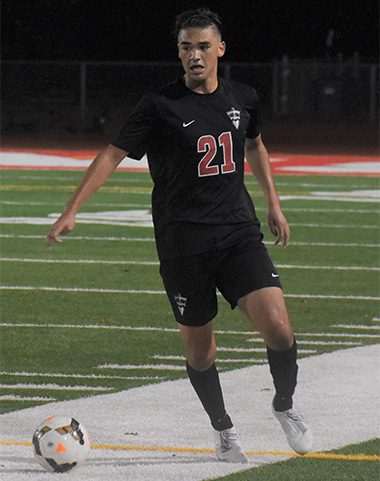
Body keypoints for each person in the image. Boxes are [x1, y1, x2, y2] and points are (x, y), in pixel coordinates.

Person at [46, 8, 313, 463]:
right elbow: (111, 155)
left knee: (281, 331)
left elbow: (255, 143)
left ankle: (284, 405)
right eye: (187, 47)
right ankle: (223, 429)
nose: (195, 55)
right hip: (182, 245)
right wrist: (72, 209)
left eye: (203, 46)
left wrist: (273, 202)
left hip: (236, 233)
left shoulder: (244, 97)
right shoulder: (158, 106)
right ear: (178, 52)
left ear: (220, 50)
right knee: (201, 353)